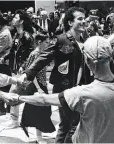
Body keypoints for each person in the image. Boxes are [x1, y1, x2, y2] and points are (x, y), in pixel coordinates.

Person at [19, 7, 93, 143]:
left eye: (84, 18)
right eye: (80, 19)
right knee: (72, 125)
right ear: (70, 22)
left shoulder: (87, 40)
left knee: (69, 125)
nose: (84, 21)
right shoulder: (61, 40)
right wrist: (28, 75)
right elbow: (43, 57)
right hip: (65, 88)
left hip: (82, 88)